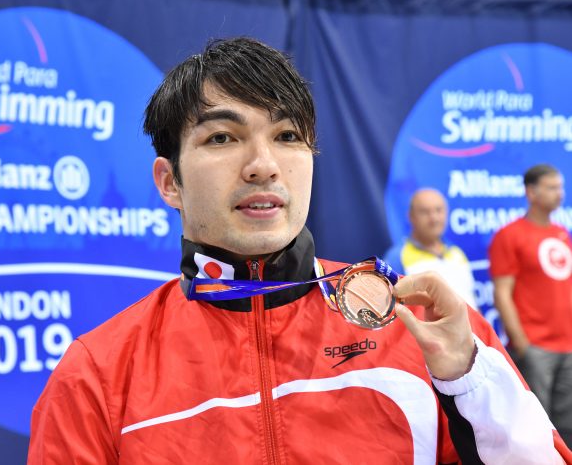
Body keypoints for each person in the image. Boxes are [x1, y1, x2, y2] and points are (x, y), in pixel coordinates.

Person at [28, 38, 571, 464]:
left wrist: (470, 385)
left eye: (288, 136)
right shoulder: (97, 375)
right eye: (222, 138)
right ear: (169, 182)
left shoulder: (422, 330)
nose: (263, 164)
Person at [489, 163, 572, 447]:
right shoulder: (509, 236)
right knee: (537, 427)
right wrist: (523, 343)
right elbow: (502, 293)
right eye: (551, 188)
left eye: (560, 187)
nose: (559, 194)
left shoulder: (562, 234)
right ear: (531, 192)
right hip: (535, 347)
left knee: (568, 427)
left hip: (568, 346)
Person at [384, 188, 478, 308]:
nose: (434, 218)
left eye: (439, 210)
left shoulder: (457, 253)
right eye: (425, 212)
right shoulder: (396, 258)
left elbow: (472, 301)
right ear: (411, 217)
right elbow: (389, 309)